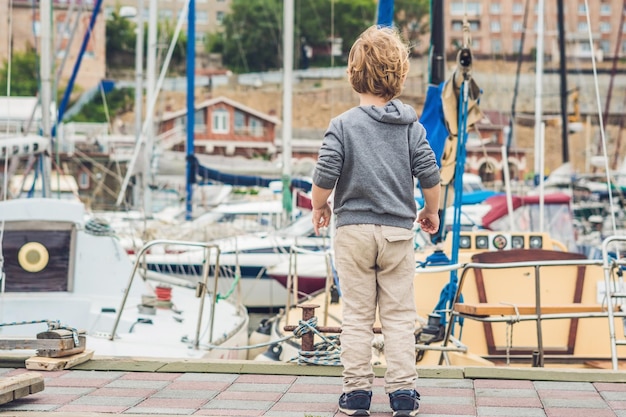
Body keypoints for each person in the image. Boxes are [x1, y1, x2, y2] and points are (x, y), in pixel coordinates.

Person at [311, 25, 441, 417]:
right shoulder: (411, 127)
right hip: (398, 233)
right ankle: (403, 394)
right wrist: (430, 211)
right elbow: (430, 175)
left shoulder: (343, 125)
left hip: (352, 231)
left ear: (354, 75)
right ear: (399, 74)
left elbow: (324, 175)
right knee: (399, 316)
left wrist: (321, 206)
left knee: (357, 315)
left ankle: (356, 396)